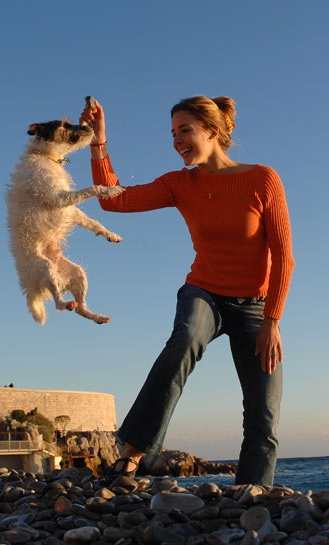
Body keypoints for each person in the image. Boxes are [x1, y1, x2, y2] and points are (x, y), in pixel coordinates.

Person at [79, 96, 295, 486]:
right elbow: (115, 201)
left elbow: (283, 257)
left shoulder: (263, 178)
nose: (177, 140)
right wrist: (99, 142)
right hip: (204, 293)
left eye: (185, 131)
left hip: (256, 307)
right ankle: (132, 457)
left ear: (213, 132)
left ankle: (252, 494)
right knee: (185, 338)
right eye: (173, 133)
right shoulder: (180, 184)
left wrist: (272, 320)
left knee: (264, 409)